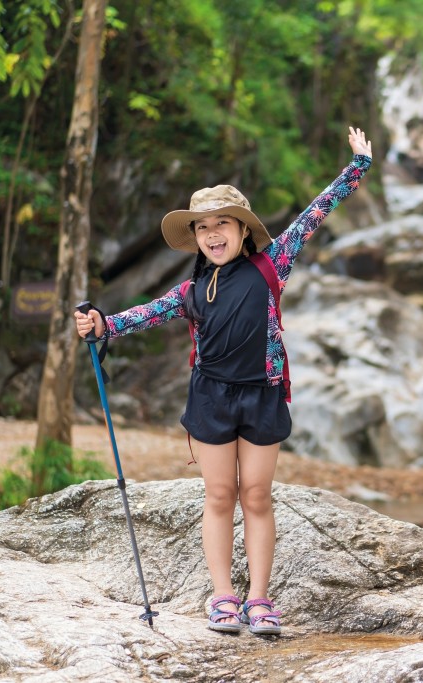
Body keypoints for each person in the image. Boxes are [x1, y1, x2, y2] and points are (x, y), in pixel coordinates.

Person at [74, 127, 373, 635]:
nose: (212, 234)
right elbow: (147, 313)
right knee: (218, 495)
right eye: (203, 227)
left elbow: (314, 215)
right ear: (195, 237)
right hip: (211, 397)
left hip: (263, 394)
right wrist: (103, 323)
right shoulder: (191, 289)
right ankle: (223, 597)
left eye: (222, 224)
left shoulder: (272, 263)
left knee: (255, 495)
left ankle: (259, 599)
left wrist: (357, 167)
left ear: (242, 229)